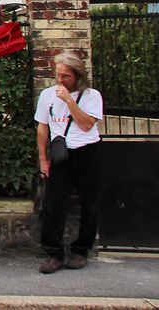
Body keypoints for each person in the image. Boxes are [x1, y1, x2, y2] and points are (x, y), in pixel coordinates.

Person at [35, 50, 103, 274]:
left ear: (78, 76)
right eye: (58, 75)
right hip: (61, 154)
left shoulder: (92, 96)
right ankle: (54, 253)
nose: (60, 80)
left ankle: (81, 250)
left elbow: (86, 124)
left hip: (87, 152)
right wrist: (43, 159)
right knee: (53, 203)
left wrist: (68, 101)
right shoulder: (47, 96)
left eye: (66, 76)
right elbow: (43, 127)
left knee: (89, 203)